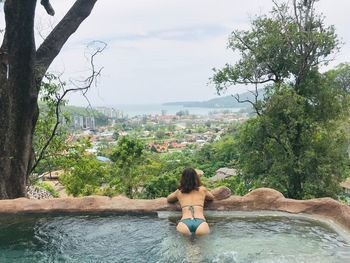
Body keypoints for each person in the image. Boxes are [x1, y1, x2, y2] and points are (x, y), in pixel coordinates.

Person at [167, 168, 215, 236]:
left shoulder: (179, 192)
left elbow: (169, 199)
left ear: (182, 178)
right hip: (201, 222)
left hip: (184, 223)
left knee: (187, 246)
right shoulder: (202, 189)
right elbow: (211, 198)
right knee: (200, 246)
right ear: (196, 178)